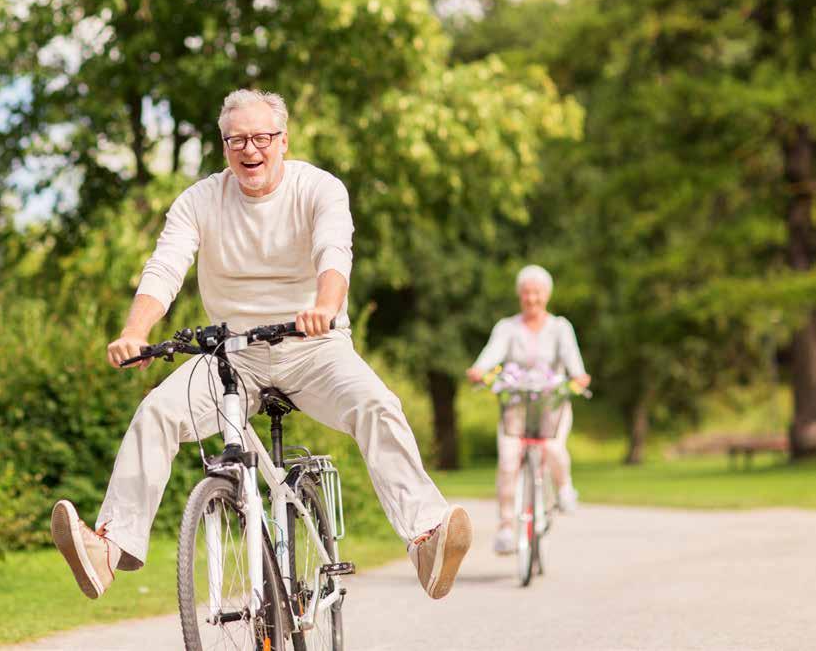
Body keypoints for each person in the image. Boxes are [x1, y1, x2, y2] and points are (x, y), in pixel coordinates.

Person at [50, 89, 472, 601]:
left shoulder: (319, 188)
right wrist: (134, 332)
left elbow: (334, 252)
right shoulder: (200, 200)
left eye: (261, 138)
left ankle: (426, 538)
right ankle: (108, 550)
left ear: (283, 141)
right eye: (237, 140)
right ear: (224, 146)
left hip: (314, 346)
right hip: (231, 355)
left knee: (377, 404)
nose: (250, 150)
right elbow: (165, 268)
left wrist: (325, 305)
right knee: (157, 412)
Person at [466, 264, 590, 555]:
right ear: (519, 295)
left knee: (552, 448)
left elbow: (575, 364)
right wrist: (479, 370)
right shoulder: (507, 328)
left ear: (546, 295)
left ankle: (563, 488)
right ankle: (507, 528)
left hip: (551, 405)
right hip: (516, 406)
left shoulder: (560, 327)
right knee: (508, 461)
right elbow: (490, 355)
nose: (531, 298)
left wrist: (578, 378)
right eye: (526, 293)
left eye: (537, 293)